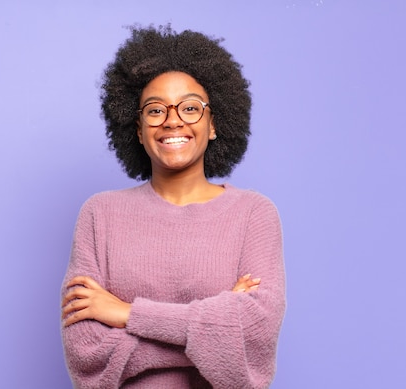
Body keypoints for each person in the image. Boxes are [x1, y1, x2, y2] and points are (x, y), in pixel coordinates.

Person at [61, 25, 286, 389]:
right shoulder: (99, 214)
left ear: (214, 123)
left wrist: (127, 314)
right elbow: (87, 354)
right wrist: (216, 332)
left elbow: (253, 341)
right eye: (155, 110)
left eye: (191, 107)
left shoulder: (254, 214)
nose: (172, 119)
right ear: (137, 129)